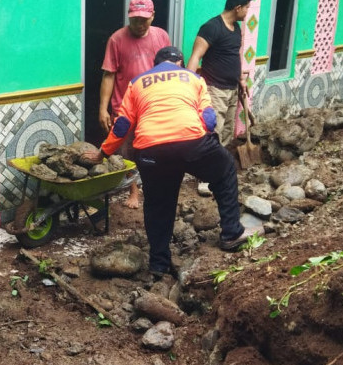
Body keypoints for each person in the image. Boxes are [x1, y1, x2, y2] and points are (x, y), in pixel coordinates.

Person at [83, 46, 264, 278]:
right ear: (179, 62)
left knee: (158, 204)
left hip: (150, 150)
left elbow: (121, 125)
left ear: (155, 65)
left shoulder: (137, 82)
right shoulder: (194, 78)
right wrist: (207, 150)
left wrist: (102, 153)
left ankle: (159, 263)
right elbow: (209, 120)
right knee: (225, 168)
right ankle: (231, 232)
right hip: (191, 143)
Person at [99, 0, 170, 209]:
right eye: (135, 20)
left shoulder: (161, 37)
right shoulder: (116, 40)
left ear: (153, 16)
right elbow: (109, 75)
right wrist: (103, 109)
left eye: (144, 20)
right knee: (127, 152)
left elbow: (170, 69)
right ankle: (133, 190)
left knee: (154, 149)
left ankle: (154, 187)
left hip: (153, 106)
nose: (139, 24)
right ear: (129, 17)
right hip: (125, 107)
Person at [187, 0, 254, 196]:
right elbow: (195, 56)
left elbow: (234, 57)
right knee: (212, 134)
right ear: (237, 7)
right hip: (214, 89)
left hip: (232, 89)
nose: (247, 12)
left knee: (225, 134)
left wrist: (241, 80)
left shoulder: (236, 29)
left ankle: (218, 173)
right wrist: (188, 87)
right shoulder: (211, 27)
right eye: (246, 8)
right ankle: (204, 178)